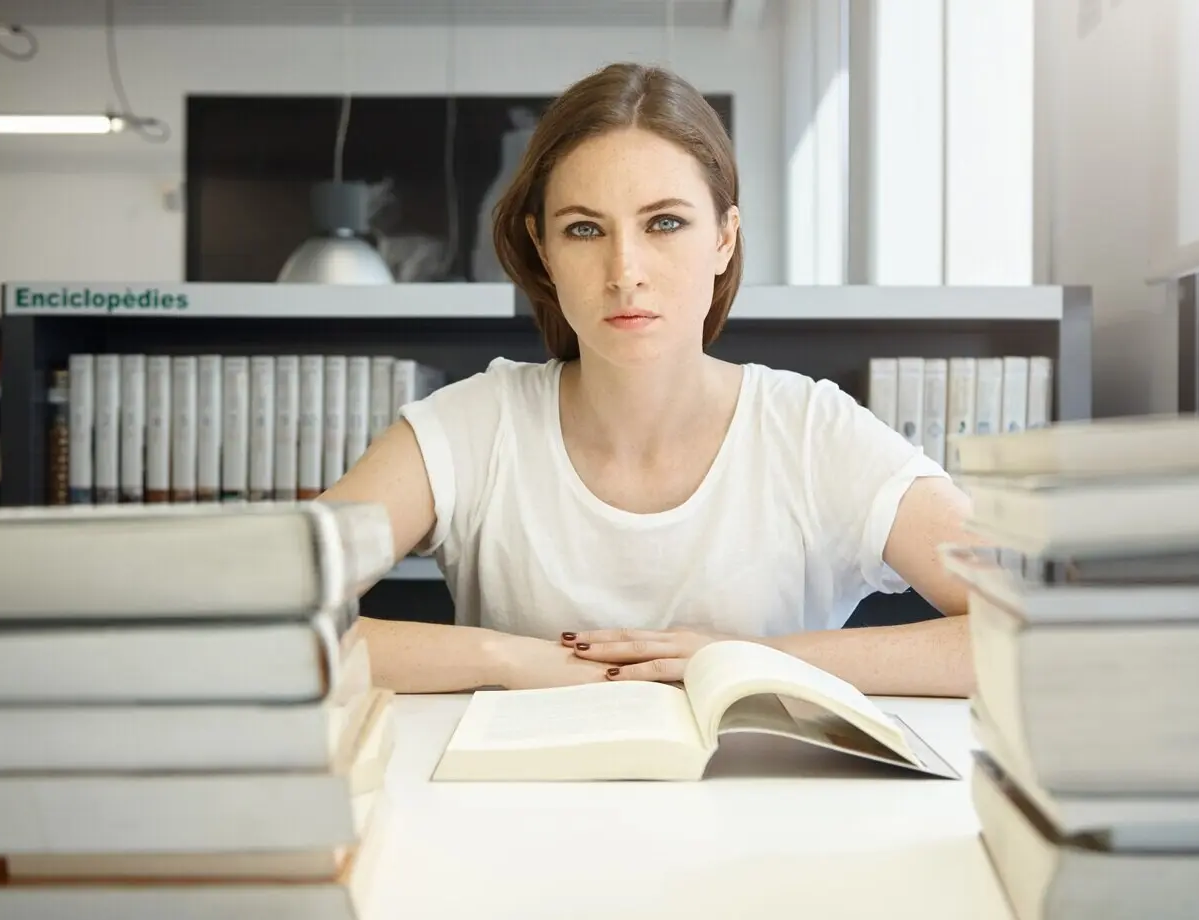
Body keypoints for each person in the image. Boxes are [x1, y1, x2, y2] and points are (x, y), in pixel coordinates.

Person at [321, 61, 978, 698]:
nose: (624, 269)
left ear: (725, 237)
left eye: (665, 222)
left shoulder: (811, 433)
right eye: (583, 229)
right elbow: (250, 620)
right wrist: (505, 657)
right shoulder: (469, 428)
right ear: (544, 251)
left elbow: (1030, 623)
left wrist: (748, 661)